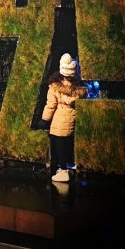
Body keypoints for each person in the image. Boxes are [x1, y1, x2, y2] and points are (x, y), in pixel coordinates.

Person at [41, 52, 87, 183]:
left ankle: (63, 172)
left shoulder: (55, 87)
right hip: (71, 120)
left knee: (58, 147)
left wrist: (44, 120)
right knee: (68, 147)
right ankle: (69, 168)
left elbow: (50, 106)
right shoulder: (78, 89)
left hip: (58, 123)